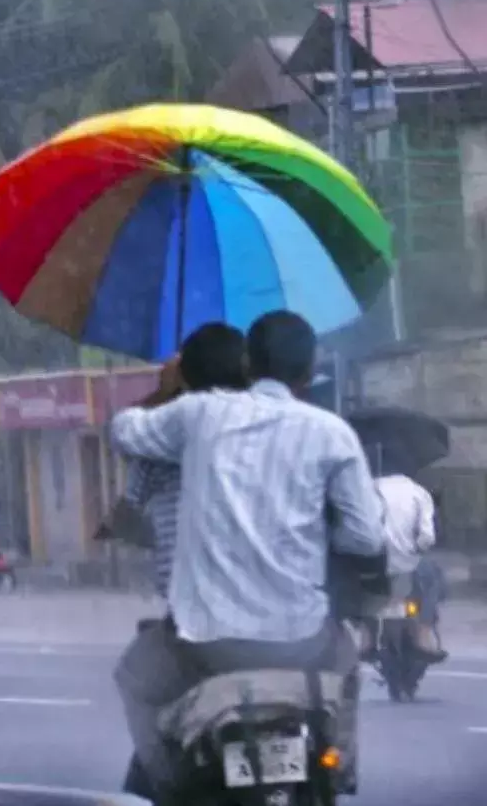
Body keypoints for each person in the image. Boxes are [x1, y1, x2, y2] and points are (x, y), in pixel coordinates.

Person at [109, 310, 386, 799]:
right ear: (310, 371)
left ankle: (170, 785)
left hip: (208, 642)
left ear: (248, 362)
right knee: (347, 664)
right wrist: (326, 536)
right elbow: (366, 538)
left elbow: (123, 430)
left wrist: (166, 387)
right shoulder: (332, 432)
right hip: (301, 640)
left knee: (135, 677)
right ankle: (339, 769)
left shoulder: (199, 414)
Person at [102, 323, 247, 599]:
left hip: (187, 597)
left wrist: (164, 391)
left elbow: (121, 431)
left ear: (184, 373)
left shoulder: (179, 421)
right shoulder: (267, 425)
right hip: (252, 593)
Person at [357, 462, 446, 662]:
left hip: (374, 565)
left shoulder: (365, 491)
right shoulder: (419, 493)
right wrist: (416, 548)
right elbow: (427, 538)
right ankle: (423, 631)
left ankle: (367, 637)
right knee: (433, 577)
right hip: (407, 564)